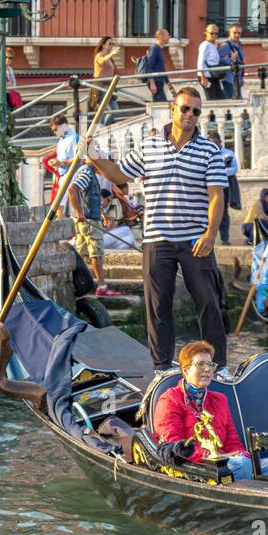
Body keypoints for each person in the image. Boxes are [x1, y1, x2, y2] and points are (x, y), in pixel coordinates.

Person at [88, 87, 229, 374]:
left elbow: (216, 195)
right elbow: (117, 174)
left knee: (209, 304)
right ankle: (162, 368)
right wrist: (93, 154)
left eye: (196, 111)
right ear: (173, 109)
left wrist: (210, 234)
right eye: (185, 108)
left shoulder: (210, 151)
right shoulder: (148, 146)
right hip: (156, 238)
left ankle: (218, 366)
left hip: (195, 238)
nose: (190, 114)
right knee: (157, 307)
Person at [152, 341, 268, 480]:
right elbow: (175, 446)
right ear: (186, 370)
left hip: (225, 463)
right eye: (201, 364)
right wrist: (214, 457)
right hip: (196, 467)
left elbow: (232, 441)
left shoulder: (220, 400)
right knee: (243, 465)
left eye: (210, 365)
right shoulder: (170, 399)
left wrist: (240, 454)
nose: (207, 369)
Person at [69, 161, 121, 297]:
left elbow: (90, 198)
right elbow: (72, 190)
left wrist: (103, 214)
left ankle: (74, 284)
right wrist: (79, 212)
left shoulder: (90, 174)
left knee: (81, 254)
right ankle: (102, 287)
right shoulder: (87, 173)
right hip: (90, 222)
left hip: (89, 220)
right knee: (96, 254)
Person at [210, 130, 239, 245]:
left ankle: (224, 238)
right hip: (210, 186)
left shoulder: (228, 154)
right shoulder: (207, 154)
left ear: (220, 142)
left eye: (215, 142)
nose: (214, 145)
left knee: (223, 212)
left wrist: (219, 171)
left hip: (224, 186)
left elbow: (234, 169)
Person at [92, 36, 122, 118]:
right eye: (110, 43)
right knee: (104, 111)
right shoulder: (99, 55)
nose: (112, 45)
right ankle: (101, 128)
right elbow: (102, 61)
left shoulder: (109, 57)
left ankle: (104, 128)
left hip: (109, 86)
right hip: (100, 86)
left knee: (115, 110)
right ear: (103, 45)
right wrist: (112, 53)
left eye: (113, 43)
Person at [142, 29, 172, 102]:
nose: (169, 37)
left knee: (161, 104)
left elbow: (162, 70)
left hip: (159, 82)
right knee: (160, 104)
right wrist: (152, 83)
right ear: (161, 36)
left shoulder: (159, 49)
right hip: (155, 82)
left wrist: (169, 85)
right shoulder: (154, 48)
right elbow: (149, 66)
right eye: (167, 35)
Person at [197, 24, 225, 100]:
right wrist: (203, 77)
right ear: (206, 33)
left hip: (213, 75)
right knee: (212, 98)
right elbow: (200, 61)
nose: (214, 35)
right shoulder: (205, 45)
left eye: (216, 34)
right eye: (211, 33)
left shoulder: (213, 45)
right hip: (206, 76)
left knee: (220, 97)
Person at [218, 24, 246, 99]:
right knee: (233, 102)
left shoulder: (240, 45)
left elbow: (241, 62)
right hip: (229, 79)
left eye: (239, 33)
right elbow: (219, 60)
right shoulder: (225, 46)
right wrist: (231, 59)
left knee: (239, 101)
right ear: (229, 33)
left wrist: (241, 77)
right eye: (234, 32)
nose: (237, 35)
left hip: (237, 80)